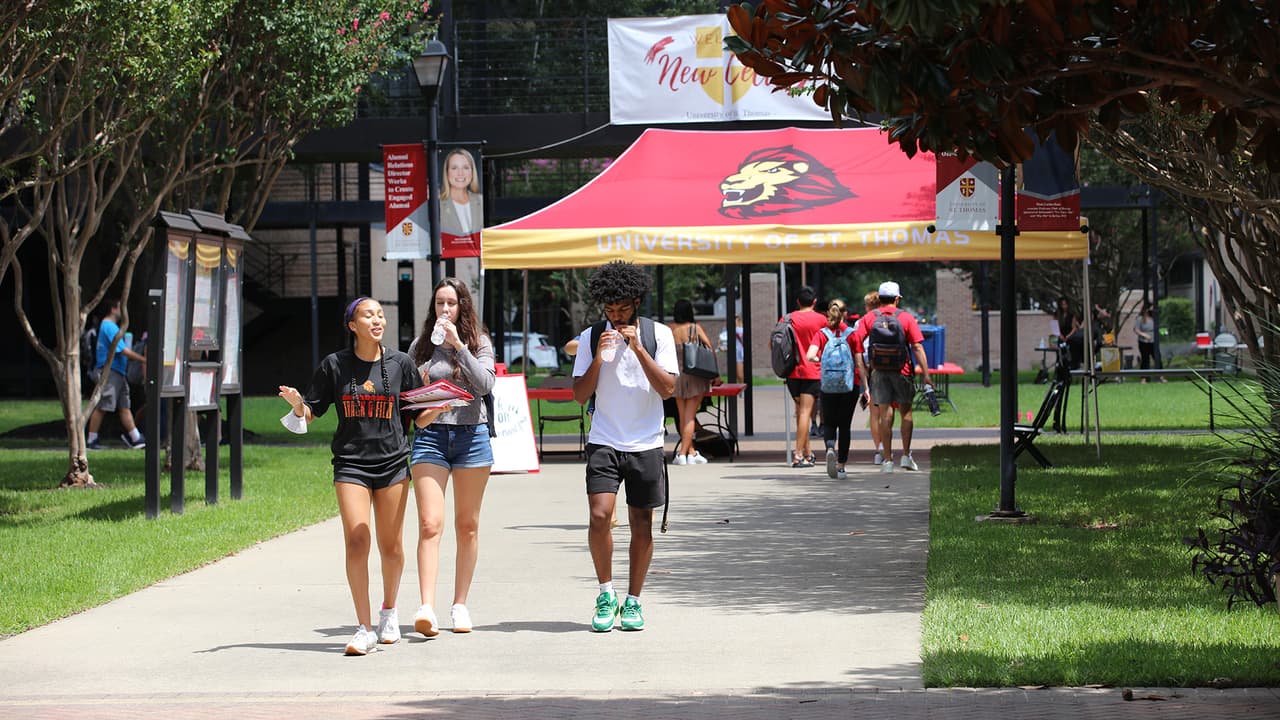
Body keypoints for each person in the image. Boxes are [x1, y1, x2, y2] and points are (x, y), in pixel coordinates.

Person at [277, 297, 440, 656]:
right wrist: (297, 404)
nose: (377, 320)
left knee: (391, 545)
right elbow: (312, 412)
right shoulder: (335, 365)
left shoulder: (401, 364)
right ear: (353, 325)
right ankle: (364, 627)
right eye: (369, 315)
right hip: (350, 462)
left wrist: (440, 405)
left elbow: (417, 416)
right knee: (356, 539)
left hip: (394, 462)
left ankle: (389, 611)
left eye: (381, 315)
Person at [570, 261, 677, 632]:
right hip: (604, 439)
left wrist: (638, 350)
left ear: (636, 302)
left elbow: (667, 389)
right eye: (609, 311)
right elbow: (580, 395)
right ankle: (605, 593)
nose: (616, 318)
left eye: (623, 310)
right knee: (600, 515)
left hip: (646, 441)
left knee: (641, 524)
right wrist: (599, 356)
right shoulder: (590, 336)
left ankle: (633, 601)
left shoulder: (658, 334)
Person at [408, 278, 497, 637]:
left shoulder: (479, 342)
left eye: (451, 303)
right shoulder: (419, 347)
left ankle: (459, 604)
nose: (444, 310)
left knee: (467, 525)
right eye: (439, 303)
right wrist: (427, 394)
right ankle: (426, 606)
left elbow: (486, 385)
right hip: (430, 437)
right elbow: (411, 400)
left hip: (471, 436)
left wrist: (459, 346)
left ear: (462, 307)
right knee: (430, 524)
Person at [853, 281, 933, 474]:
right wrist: (927, 375)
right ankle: (906, 455)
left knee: (885, 415)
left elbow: (856, 340)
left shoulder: (870, 317)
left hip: (879, 372)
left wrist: (863, 368)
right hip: (902, 371)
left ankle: (887, 461)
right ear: (897, 299)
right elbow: (917, 346)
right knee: (906, 413)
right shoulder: (906, 317)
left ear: (879, 299)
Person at [805, 298, 863, 480]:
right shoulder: (853, 334)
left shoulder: (821, 334)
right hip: (849, 385)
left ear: (829, 313)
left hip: (828, 385)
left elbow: (810, 356)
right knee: (844, 426)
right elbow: (860, 363)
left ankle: (830, 447)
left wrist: (821, 360)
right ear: (845, 314)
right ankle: (842, 466)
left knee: (829, 422)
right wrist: (867, 388)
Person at [87, 299, 146, 450]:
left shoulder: (111, 326)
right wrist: (144, 360)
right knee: (103, 405)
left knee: (124, 405)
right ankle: (91, 440)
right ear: (113, 309)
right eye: (121, 307)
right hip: (110, 371)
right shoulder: (109, 326)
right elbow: (123, 350)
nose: (123, 311)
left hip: (118, 372)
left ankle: (135, 438)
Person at [779, 285, 828, 468]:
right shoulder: (821, 320)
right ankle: (798, 454)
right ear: (814, 302)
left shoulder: (787, 319)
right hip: (812, 370)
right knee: (806, 413)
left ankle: (808, 453)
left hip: (792, 372)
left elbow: (773, 343)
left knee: (801, 413)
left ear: (797, 302)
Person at [669, 298, 715, 465]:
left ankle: (692, 452)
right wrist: (714, 374)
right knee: (690, 417)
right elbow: (709, 348)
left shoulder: (670, 329)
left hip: (677, 376)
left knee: (682, 416)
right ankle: (682, 454)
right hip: (695, 376)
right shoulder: (695, 328)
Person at [439, 148, 483, 292]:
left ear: (472, 172)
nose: (460, 173)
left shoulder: (480, 202)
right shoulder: (439, 204)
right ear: (447, 172)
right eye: (454, 168)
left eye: (465, 167)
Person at [855, 290, 886, 464]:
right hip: (888, 368)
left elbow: (858, 348)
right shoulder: (889, 320)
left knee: (874, 415)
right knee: (886, 411)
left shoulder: (862, 322)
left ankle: (878, 449)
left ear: (867, 306)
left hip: (870, 370)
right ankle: (888, 449)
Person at [1134, 302, 1166, 383]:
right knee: (1145, 360)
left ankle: (1161, 376)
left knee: (1157, 358)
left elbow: (1158, 328)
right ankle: (1144, 378)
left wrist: (1163, 332)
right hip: (1143, 342)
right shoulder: (1140, 318)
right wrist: (1144, 335)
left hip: (1153, 342)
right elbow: (1136, 330)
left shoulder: (1153, 318)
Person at [1054, 297, 1084, 369]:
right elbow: (1055, 327)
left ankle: (1072, 366)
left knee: (1072, 349)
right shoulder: (1057, 314)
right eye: (1062, 304)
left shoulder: (1071, 314)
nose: (1064, 306)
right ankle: (1060, 368)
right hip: (1061, 335)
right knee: (1060, 352)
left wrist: (1068, 336)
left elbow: (1074, 327)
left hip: (1070, 336)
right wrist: (1060, 335)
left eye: (1065, 304)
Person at [718, 315, 745, 381]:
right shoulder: (727, 328)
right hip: (735, 353)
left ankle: (744, 388)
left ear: (738, 319)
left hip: (742, 352)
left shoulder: (742, 328)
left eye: (735, 318)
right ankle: (741, 388)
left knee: (741, 375)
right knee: (738, 375)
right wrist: (721, 347)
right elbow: (721, 339)